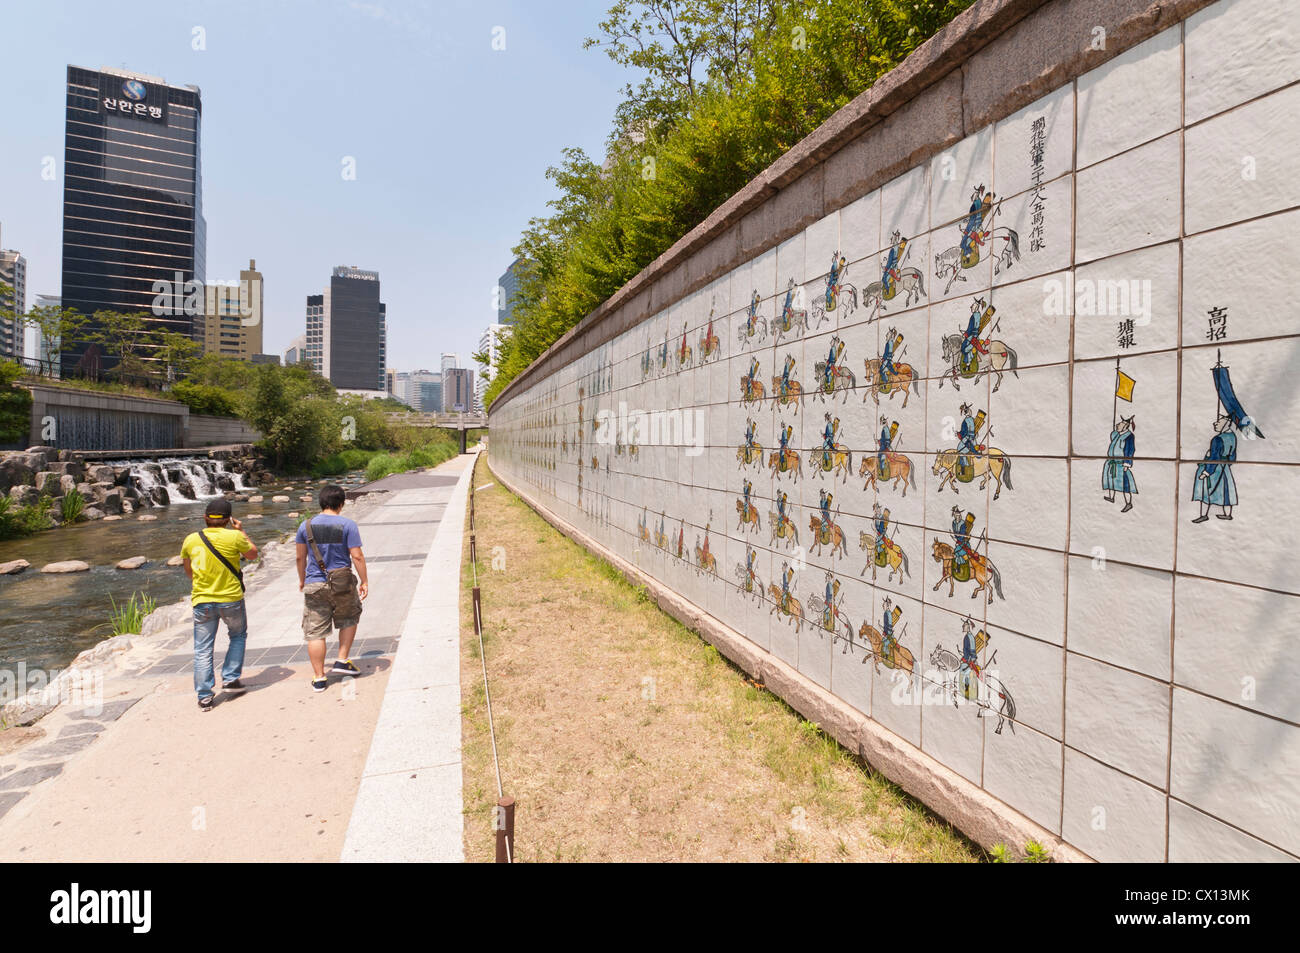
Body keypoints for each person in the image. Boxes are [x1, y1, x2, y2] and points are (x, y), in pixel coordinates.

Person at [181, 498, 259, 712]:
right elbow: (252, 554)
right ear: (228, 520)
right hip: (231, 598)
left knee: (203, 648)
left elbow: (189, 572)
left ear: (205, 518)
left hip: (202, 600)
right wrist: (241, 531)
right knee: (237, 636)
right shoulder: (234, 536)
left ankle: (205, 696)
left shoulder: (191, 539)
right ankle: (230, 678)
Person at [296, 484, 370, 693]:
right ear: (341, 503)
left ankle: (319, 678)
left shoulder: (305, 526)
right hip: (342, 582)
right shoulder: (347, 525)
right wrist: (364, 581)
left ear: (321, 502)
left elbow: (300, 556)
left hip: (315, 583)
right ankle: (341, 659)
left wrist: (302, 579)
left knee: (315, 631)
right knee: (349, 617)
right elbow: (357, 556)